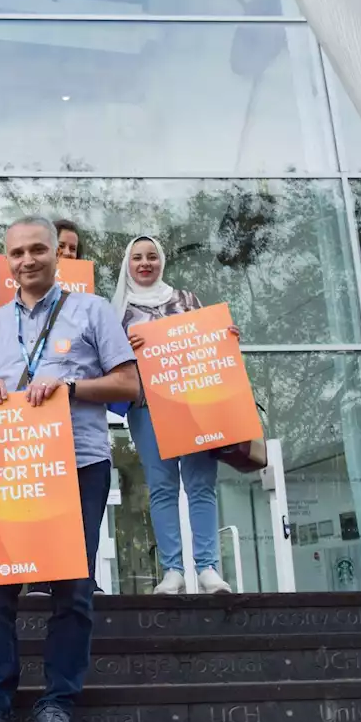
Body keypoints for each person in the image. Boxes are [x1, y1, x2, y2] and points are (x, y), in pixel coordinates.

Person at [0, 215, 138, 722]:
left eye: (38, 250)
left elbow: (131, 383)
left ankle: (58, 704)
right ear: (5, 261)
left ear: (57, 255)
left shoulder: (92, 310)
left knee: (73, 593)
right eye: (18, 253)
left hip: (78, 465)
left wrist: (72, 386)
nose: (28, 260)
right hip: (8, 470)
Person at [114, 235, 236, 596]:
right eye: (137, 257)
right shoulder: (117, 311)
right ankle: (173, 572)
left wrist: (226, 336)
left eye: (152, 256)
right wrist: (126, 347)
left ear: (162, 261)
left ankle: (208, 568)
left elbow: (207, 343)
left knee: (201, 485)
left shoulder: (186, 300)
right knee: (163, 488)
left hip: (192, 405)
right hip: (147, 408)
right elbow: (108, 363)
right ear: (128, 264)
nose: (145, 263)